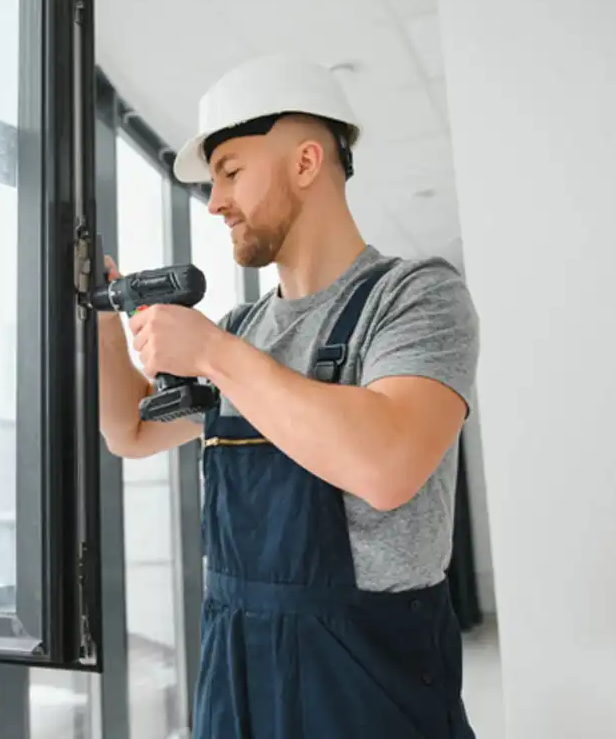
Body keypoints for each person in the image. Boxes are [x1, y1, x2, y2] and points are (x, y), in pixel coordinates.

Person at [98, 54, 480, 738]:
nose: (213, 202)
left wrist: (213, 355)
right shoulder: (243, 329)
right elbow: (130, 431)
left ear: (305, 163)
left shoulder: (413, 295)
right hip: (234, 668)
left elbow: (387, 465)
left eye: (231, 172)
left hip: (365, 684)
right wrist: (100, 312)